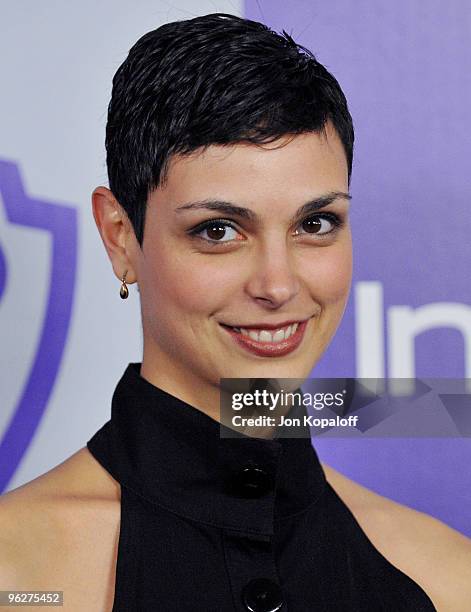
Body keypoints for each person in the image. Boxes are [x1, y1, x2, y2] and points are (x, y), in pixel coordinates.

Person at [1, 12, 470, 612]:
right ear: (120, 237)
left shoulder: (444, 578)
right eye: (219, 230)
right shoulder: (15, 573)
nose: (277, 285)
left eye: (315, 224)